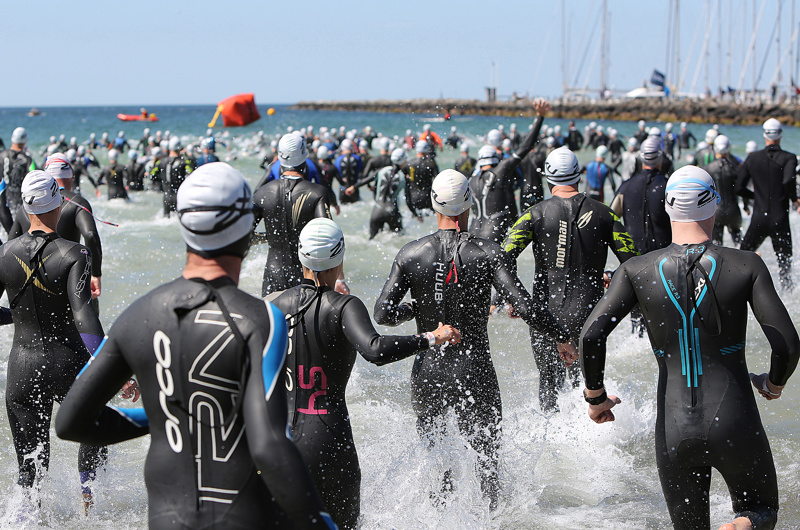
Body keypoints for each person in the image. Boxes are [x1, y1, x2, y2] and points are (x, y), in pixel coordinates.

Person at [55, 163, 338, 529]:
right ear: (245, 228)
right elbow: (269, 446)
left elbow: (71, 421)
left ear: (185, 225)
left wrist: (159, 415)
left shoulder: (138, 315)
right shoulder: (262, 320)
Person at [581, 165, 799, 530]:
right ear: (715, 204)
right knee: (761, 511)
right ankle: (742, 525)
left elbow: (591, 335)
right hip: (734, 417)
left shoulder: (636, 269)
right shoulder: (747, 264)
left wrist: (595, 397)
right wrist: (772, 384)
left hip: (674, 427)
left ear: (667, 207)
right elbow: (788, 344)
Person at [374, 169, 575, 510]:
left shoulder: (411, 253)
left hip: (428, 373)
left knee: (438, 467)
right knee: (488, 464)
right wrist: (561, 336)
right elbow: (523, 305)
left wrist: (417, 308)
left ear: (436, 204)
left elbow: (382, 314)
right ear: (468, 204)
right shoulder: (488, 251)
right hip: (474, 370)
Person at [272, 218, 460, 529]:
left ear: (301, 256)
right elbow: (374, 349)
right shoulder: (344, 306)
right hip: (330, 440)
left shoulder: (277, 305)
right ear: (340, 257)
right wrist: (430, 337)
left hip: (285, 441)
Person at [2, 170, 116, 516]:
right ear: (58, 202)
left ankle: (26, 520)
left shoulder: (4, 252)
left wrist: (16, 315)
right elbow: (84, 316)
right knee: (95, 435)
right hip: (69, 364)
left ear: (25, 205)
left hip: (21, 369)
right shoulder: (75, 254)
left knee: (30, 471)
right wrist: (111, 365)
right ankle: (90, 505)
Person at [502, 146, 638, 412]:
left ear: (548, 179)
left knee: (549, 386)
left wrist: (516, 299)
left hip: (544, 316)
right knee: (588, 386)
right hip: (590, 317)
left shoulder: (534, 214)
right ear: (579, 176)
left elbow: (502, 259)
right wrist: (611, 276)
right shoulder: (605, 214)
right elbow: (635, 265)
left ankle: (550, 445)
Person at [252, 133, 338, 297]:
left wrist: (268, 237)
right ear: (305, 156)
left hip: (272, 274)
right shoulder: (317, 192)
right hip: (306, 277)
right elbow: (329, 238)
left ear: (279, 157)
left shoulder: (262, 193)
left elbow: (244, 235)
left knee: (274, 321)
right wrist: (339, 279)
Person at [9, 154, 103, 302]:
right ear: (72, 177)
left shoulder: (27, 207)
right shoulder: (77, 202)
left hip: (36, 284)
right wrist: (95, 274)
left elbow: (10, 246)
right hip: (70, 280)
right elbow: (90, 235)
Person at [469, 98, 549, 244]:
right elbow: (525, 147)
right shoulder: (500, 170)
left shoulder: (470, 180)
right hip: (495, 233)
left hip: (472, 234)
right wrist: (540, 117)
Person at [736, 118, 799, 291]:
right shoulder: (789, 158)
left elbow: (739, 187)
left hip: (758, 219)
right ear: (780, 135)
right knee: (785, 265)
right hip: (780, 219)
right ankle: (787, 299)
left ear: (764, 135)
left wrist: (756, 196)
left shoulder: (753, 158)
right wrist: (794, 199)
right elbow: (787, 181)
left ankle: (738, 291)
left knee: (741, 257)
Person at [611, 137, 672, 255]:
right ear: (660, 157)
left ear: (641, 157)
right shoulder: (669, 187)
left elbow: (610, 220)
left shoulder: (626, 187)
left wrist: (622, 252)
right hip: (664, 260)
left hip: (633, 260)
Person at [346, 148, 419, 238]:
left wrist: (354, 187)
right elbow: (408, 200)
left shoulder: (382, 171)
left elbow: (366, 180)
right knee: (400, 238)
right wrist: (416, 214)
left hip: (377, 210)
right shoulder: (403, 178)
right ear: (403, 160)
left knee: (371, 239)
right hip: (392, 211)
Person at [705, 135, 743, 246]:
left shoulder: (708, 168)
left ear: (715, 148)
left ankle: (719, 263)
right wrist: (745, 205)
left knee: (717, 245)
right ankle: (741, 262)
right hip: (734, 210)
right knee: (739, 242)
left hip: (716, 211)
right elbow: (742, 188)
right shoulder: (736, 168)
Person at [0, 127, 35, 232]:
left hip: (2, 200)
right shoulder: (28, 160)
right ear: (25, 141)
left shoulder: (1, 156)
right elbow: (34, 176)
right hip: (19, 203)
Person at [161, 137, 194, 216]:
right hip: (178, 197)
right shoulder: (183, 162)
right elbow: (191, 174)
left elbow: (152, 175)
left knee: (165, 220)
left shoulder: (162, 161)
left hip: (166, 197)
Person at [405, 140, 439, 215]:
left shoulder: (410, 163)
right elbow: (438, 181)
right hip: (427, 197)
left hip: (413, 198)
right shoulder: (431, 163)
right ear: (427, 150)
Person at [333, 139, 364, 205]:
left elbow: (336, 174)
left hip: (343, 189)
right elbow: (361, 171)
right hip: (354, 188)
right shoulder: (357, 158)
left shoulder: (338, 159)